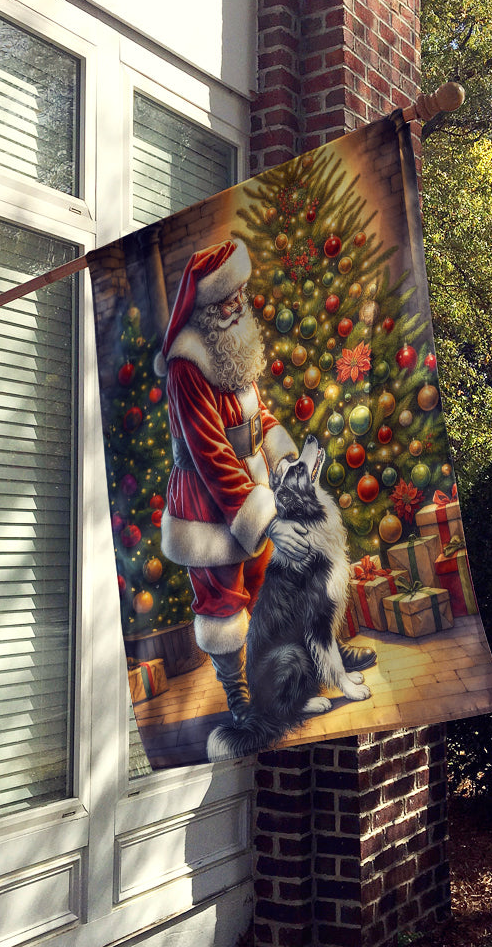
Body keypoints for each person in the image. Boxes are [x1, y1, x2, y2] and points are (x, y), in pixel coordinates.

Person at [157, 239, 374, 724]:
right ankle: (237, 692)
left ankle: (320, 656)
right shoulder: (186, 365)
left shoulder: (231, 346)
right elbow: (210, 453)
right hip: (208, 506)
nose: (239, 306)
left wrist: (285, 459)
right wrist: (266, 519)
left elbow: (258, 418)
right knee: (222, 605)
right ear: (206, 308)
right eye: (228, 300)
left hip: (254, 486)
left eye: (241, 295)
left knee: (276, 588)